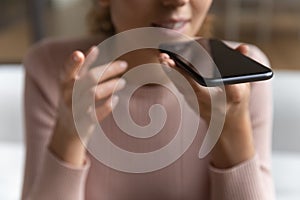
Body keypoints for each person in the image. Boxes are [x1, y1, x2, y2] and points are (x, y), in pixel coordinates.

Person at [21, 0, 275, 199]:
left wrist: (231, 127)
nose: (177, 1)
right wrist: (68, 133)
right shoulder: (51, 69)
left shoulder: (240, 82)